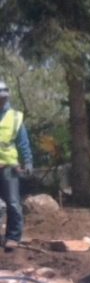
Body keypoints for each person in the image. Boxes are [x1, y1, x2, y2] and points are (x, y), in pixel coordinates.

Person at [0, 81, 32, 252]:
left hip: (9, 166)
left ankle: (13, 237)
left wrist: (27, 162)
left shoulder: (15, 117)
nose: (1, 101)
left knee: (13, 202)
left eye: (3, 98)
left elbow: (23, 143)